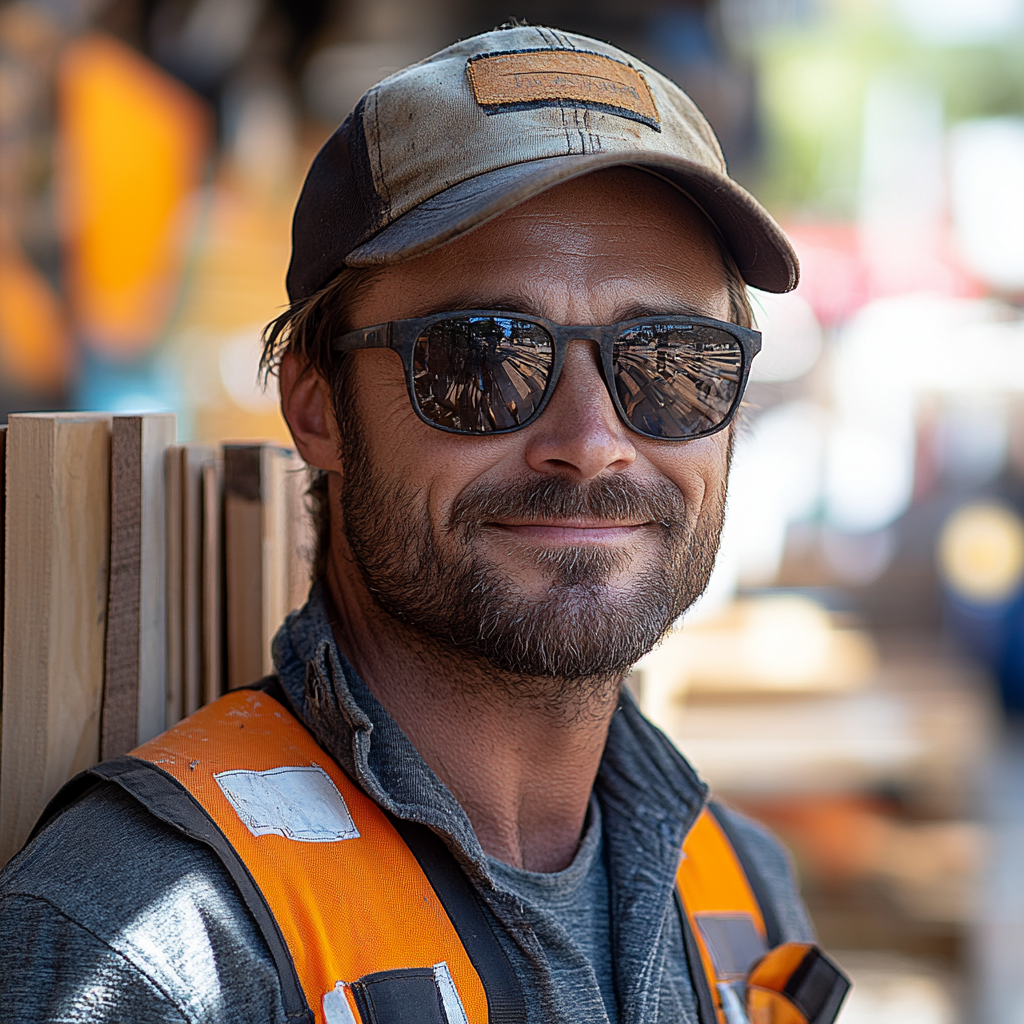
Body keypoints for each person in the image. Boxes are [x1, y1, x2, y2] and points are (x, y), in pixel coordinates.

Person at [0, 24, 848, 1024]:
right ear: (315, 406)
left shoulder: (745, 894)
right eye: (482, 359)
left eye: (671, 361)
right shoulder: (159, 949)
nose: (591, 441)